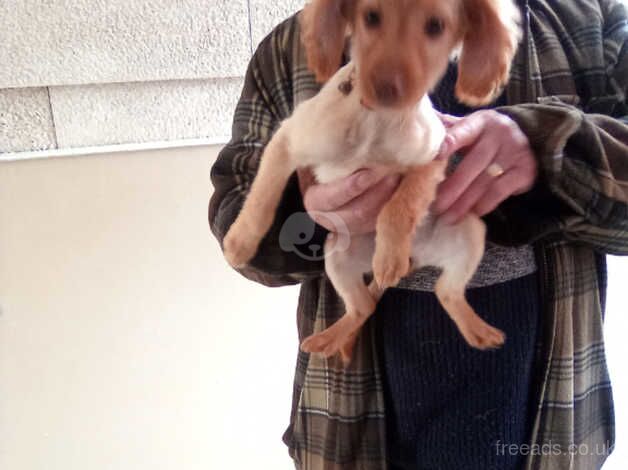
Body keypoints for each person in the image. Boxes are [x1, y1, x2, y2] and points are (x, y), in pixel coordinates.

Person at [209, 0, 628, 468]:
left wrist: (548, 151)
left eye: (433, 26)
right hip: (349, 433)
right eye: (372, 19)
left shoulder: (590, 25)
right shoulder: (293, 46)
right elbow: (236, 225)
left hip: (548, 429)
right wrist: (311, 216)